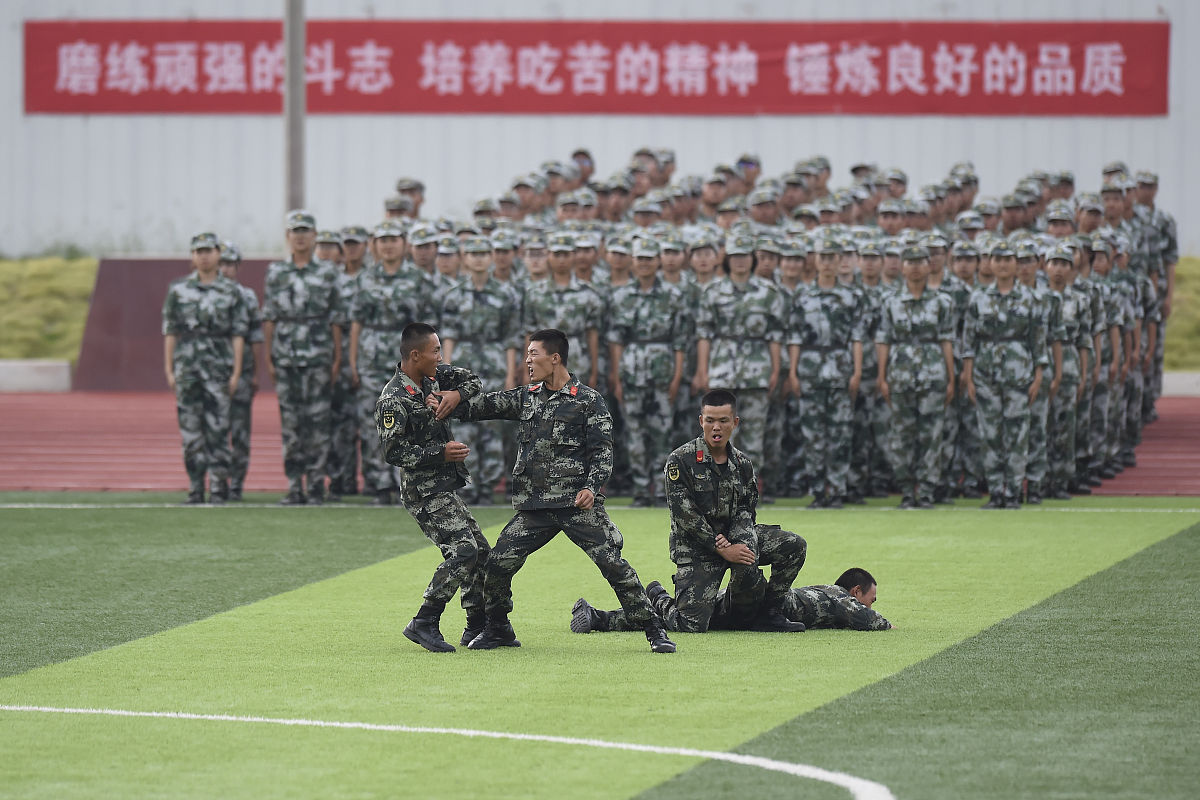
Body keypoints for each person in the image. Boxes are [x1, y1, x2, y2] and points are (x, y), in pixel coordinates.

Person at [451, 329, 676, 653]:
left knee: (614, 566)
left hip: (577, 505)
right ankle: (499, 628)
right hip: (535, 508)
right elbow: (483, 406)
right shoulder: (526, 396)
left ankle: (654, 630)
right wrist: (452, 400)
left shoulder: (588, 401)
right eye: (527, 354)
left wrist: (591, 487)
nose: (528, 360)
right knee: (498, 563)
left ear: (555, 358)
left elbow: (602, 453)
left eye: (534, 354)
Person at [570, 389, 807, 635]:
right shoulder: (680, 461)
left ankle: (771, 612)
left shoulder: (743, 464)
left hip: (734, 539)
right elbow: (686, 517)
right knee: (690, 624)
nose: (716, 427)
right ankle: (654, 601)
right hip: (697, 548)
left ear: (735, 423)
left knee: (793, 546)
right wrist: (722, 547)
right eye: (710, 420)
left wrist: (740, 543)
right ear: (700, 421)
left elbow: (746, 511)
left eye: (723, 421)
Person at [375, 323, 491, 652]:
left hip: (443, 487)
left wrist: (455, 395)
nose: (441, 357)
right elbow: (393, 452)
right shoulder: (393, 399)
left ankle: (476, 626)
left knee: (481, 552)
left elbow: (473, 381)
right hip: (422, 492)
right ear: (416, 355)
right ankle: (425, 620)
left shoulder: (434, 376)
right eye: (435, 351)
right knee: (464, 551)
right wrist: (440, 453)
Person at [262, 210, 344, 505]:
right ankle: (295, 484)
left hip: (319, 355)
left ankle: (317, 485)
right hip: (285, 357)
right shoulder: (276, 272)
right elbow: (269, 316)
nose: (299, 236)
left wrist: (336, 358)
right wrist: (269, 357)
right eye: (295, 231)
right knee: (291, 423)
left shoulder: (327, 272)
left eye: (305, 231)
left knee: (319, 422)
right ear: (288, 237)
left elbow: (336, 318)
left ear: (314, 236)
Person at [162, 232, 249, 504]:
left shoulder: (231, 291)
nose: (204, 256)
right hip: (187, 369)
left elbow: (238, 334)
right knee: (190, 431)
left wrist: (236, 372)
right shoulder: (178, 290)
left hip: (219, 369)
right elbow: (170, 332)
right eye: (198, 251)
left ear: (218, 254)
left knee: (219, 429)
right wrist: (169, 369)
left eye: (208, 251)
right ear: (192, 256)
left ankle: (219, 486)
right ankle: (195, 486)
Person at [962, 242, 1048, 509]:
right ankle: (995, 490)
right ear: (989, 264)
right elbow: (968, 341)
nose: (1001, 264)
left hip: (1019, 373)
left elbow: (1038, 341)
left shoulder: (1031, 298)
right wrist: (968, 377)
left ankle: (1013, 490)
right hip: (985, 374)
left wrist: (1038, 376)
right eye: (996, 259)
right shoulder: (978, 298)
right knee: (990, 434)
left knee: (1017, 433)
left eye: (1007, 259)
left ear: (1016, 264)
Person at [348, 221, 430, 505]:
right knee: (375, 421)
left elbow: (427, 326)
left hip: (407, 357)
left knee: (411, 421)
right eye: (382, 239)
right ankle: (379, 483)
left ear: (404, 243)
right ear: (375, 244)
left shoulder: (418, 280)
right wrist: (353, 360)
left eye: (393, 239)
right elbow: (356, 322)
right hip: (371, 356)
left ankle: (406, 482)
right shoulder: (365, 278)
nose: (388, 245)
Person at [439, 235, 522, 505]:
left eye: (483, 253)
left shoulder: (505, 294)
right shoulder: (454, 295)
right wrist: (446, 374)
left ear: (491, 258)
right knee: (464, 425)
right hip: (463, 363)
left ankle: (488, 484)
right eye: (472, 253)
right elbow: (448, 337)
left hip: (495, 363)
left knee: (493, 426)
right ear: (464, 257)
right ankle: (469, 482)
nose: (477, 258)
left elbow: (511, 338)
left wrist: (511, 375)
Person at [607, 238, 688, 507]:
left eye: (649, 259)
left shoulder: (673, 295)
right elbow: (616, 340)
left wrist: (677, 377)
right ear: (633, 261)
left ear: (658, 262)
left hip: (662, 371)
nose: (644, 264)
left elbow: (680, 341)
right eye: (640, 259)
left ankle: (662, 486)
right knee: (635, 432)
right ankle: (642, 488)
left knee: (662, 431)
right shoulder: (621, 296)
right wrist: (617, 376)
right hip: (631, 371)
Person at [786, 238, 864, 509]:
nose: (829, 263)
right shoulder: (803, 295)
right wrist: (793, 372)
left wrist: (857, 371)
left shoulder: (852, 296)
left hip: (841, 366)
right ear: (816, 260)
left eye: (833, 257)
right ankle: (819, 490)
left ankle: (838, 489)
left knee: (841, 432)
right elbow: (794, 336)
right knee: (812, 433)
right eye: (824, 257)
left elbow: (857, 337)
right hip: (810, 367)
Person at [876, 245, 956, 509]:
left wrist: (951, 377)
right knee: (902, 435)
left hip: (933, 375)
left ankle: (928, 491)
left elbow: (947, 340)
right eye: (910, 262)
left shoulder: (942, 301)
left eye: (920, 262)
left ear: (929, 265)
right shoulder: (890, 301)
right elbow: (884, 339)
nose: (915, 267)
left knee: (932, 435)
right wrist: (882, 376)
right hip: (900, 374)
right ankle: (908, 490)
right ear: (903, 267)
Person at [217, 241, 264, 501]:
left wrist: (255, 372)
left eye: (229, 264)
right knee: (215, 431)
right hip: (212, 371)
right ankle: (218, 482)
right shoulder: (208, 294)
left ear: (237, 267)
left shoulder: (246, 296)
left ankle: (236, 483)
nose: (225, 269)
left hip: (242, 371)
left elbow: (255, 337)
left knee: (240, 432)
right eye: (221, 264)